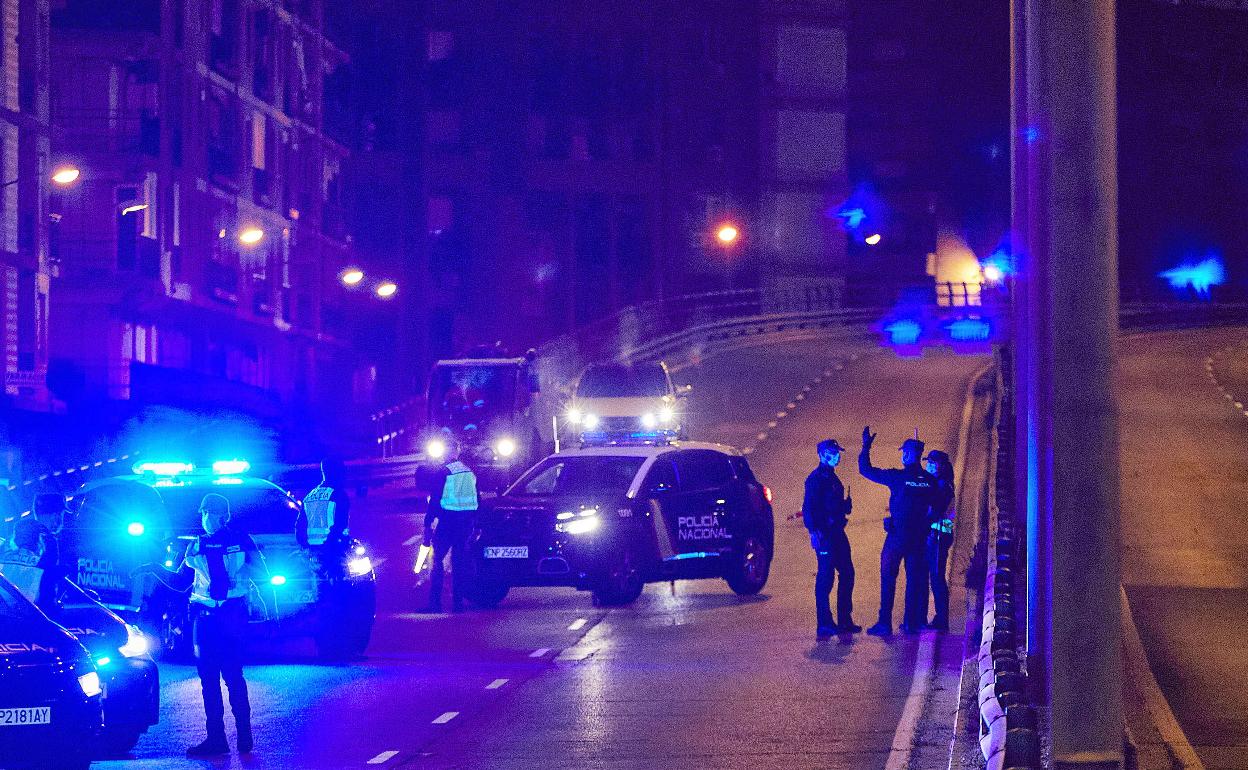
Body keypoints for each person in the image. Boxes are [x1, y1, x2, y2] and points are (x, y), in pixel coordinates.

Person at [138, 494, 268, 756]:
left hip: (228, 615)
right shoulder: (197, 546)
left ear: (224, 515)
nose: (206, 518)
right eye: (204, 513)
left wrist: (233, 575)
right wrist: (152, 567)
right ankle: (217, 739)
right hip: (207, 619)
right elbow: (180, 582)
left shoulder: (238, 541)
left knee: (232, 676)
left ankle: (244, 736)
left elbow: (262, 574)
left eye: (210, 513)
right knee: (209, 680)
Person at [859, 427, 938, 636]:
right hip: (918, 539)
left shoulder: (897, 477)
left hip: (896, 538)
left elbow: (866, 470)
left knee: (888, 578)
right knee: (913, 580)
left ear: (909, 455)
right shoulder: (929, 482)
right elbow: (936, 509)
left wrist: (866, 446)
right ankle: (910, 622)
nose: (903, 455)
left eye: (904, 452)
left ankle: (884, 623)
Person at [803, 439, 860, 639]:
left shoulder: (833, 478)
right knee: (825, 578)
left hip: (837, 532)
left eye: (837, 453)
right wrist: (813, 532)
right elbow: (808, 508)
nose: (835, 456)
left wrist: (845, 506)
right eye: (831, 452)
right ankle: (824, 623)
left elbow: (831, 505)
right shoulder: (816, 479)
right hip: (825, 535)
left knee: (847, 573)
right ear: (821, 454)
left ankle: (845, 619)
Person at [422, 438, 478, 613]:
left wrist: (428, 522)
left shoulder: (443, 472)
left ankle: (435, 603)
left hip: (447, 523)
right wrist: (477, 523)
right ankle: (458, 603)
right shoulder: (469, 472)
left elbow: (435, 500)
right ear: (458, 451)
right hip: (465, 524)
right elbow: (477, 499)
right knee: (459, 562)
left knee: (437, 560)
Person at [924, 450, 956, 631]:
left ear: (941, 466)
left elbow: (934, 512)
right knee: (934, 577)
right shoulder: (938, 483)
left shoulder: (943, 487)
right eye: (927, 462)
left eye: (931, 463)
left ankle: (942, 619)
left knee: (937, 578)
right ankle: (939, 617)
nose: (928, 466)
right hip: (937, 537)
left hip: (939, 537)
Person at [297, 457, 352, 556]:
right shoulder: (339, 495)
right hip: (334, 551)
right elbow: (340, 524)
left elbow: (300, 526)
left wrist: (305, 547)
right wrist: (329, 546)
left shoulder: (309, 497)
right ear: (337, 472)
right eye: (342, 470)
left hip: (312, 553)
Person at [13, 493, 65, 571]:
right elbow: (47, 574)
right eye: (62, 515)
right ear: (55, 516)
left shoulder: (16, 533)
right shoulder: (49, 541)